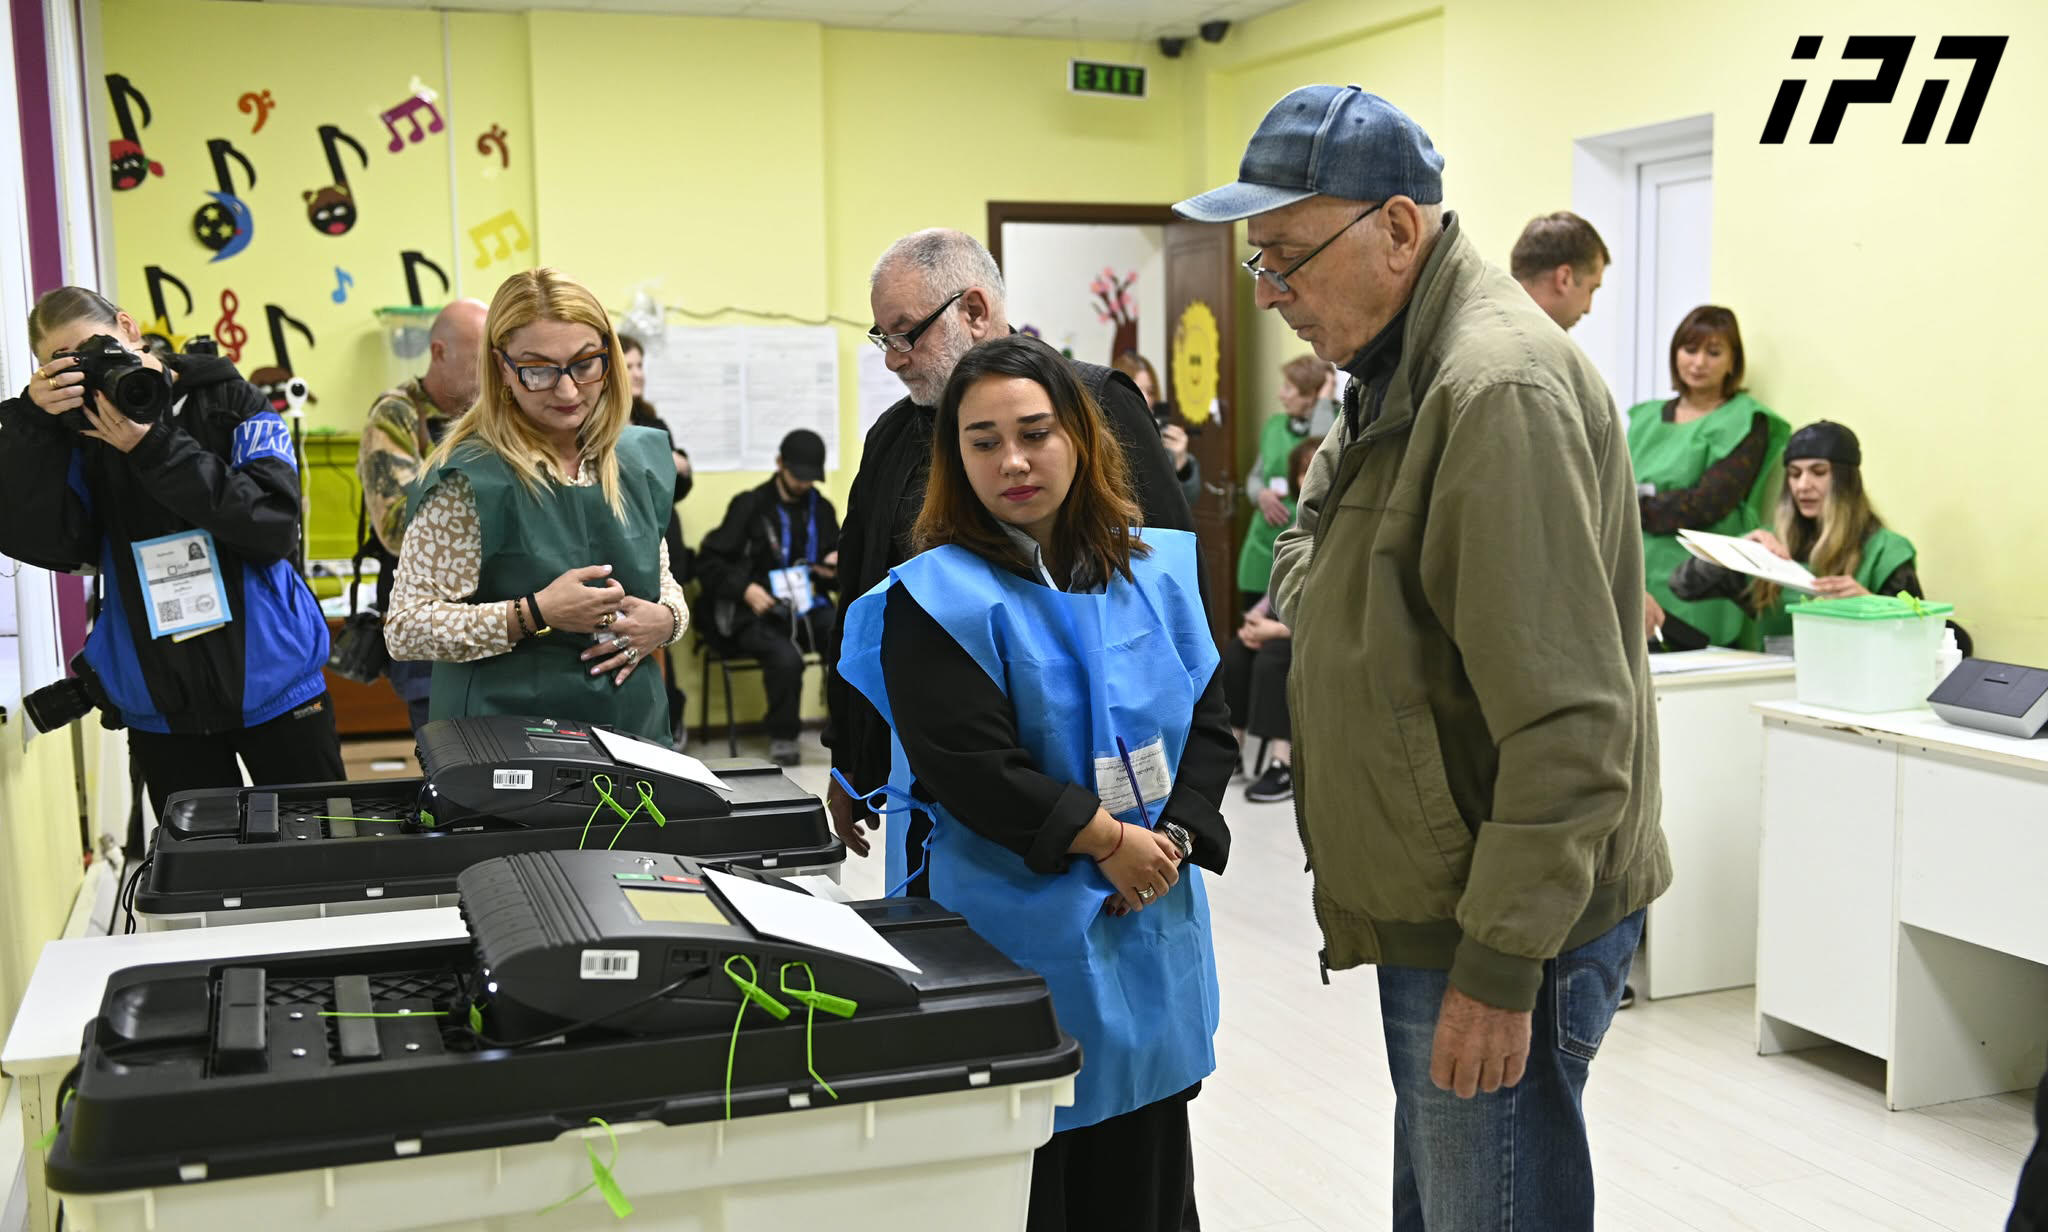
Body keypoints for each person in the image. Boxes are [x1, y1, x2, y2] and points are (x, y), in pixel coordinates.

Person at [1179, 85, 1669, 1229]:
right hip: (1446, 894)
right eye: (1260, 263)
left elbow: (1569, 725)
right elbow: (1314, 533)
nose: (1271, 294)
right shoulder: (1390, 366)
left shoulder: (1487, 387)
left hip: (1500, 920)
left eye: (1288, 258)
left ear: (1399, 228)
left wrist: (1499, 965)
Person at [835, 334, 1232, 1232]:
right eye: (982, 441)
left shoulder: (1157, 568)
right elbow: (972, 766)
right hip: (1012, 920)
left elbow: (1208, 717)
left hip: (1150, 901)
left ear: (1081, 438)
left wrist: (1167, 842)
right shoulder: (933, 597)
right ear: (955, 458)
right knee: (1032, 1171)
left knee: (1148, 1167)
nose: (1012, 460)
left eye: (1034, 432)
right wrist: (1111, 843)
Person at [826, 228, 1194, 859]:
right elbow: (862, 597)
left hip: (1091, 764)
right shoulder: (894, 435)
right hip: (942, 766)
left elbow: (1169, 596)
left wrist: (1179, 812)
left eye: (906, 332)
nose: (894, 357)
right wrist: (850, 759)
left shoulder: (1095, 401)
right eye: (883, 337)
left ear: (973, 311)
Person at [0, 287, 342, 819]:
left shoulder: (233, 401)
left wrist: (152, 447)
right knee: (205, 880)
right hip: (161, 702)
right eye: (63, 363)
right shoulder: (74, 436)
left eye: (97, 347)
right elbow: (41, 542)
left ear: (129, 328)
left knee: (320, 855)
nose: (86, 368)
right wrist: (32, 427)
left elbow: (273, 527)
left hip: (279, 685)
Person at [383, 268, 687, 743]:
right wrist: (534, 613)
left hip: (632, 733)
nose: (567, 391)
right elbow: (406, 629)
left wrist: (666, 621)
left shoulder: (633, 460)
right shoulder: (470, 479)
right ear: (502, 367)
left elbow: (662, 581)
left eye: (585, 365)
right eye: (539, 371)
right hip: (505, 743)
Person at [357, 297, 487, 735]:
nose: (489, 376)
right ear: (438, 352)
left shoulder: (496, 415)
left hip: (498, 624)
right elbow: (396, 527)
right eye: (477, 361)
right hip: (430, 631)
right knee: (451, 766)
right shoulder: (397, 414)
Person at [1669, 420, 1922, 643]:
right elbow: (1682, 586)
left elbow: (1921, 636)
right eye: (1794, 474)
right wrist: (1737, 550)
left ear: (1846, 480)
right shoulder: (1770, 547)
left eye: (1819, 472)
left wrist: (1873, 606)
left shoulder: (1885, 551)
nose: (1802, 486)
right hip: (1775, 684)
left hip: (1860, 684)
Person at [1629, 305, 1790, 650]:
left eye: (1713, 352)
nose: (1699, 362)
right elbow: (1608, 489)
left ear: (1733, 362)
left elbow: (1707, 503)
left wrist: (1633, 506)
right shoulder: (1644, 418)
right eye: (1690, 350)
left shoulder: (1747, 419)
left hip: (1705, 582)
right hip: (1639, 572)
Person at [693, 429, 839, 766]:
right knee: (786, 658)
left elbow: (834, 568)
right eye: (797, 476)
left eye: (809, 478)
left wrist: (836, 567)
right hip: (757, 612)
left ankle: (847, 727)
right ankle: (783, 736)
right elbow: (708, 562)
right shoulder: (749, 506)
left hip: (803, 607)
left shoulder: (822, 510)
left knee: (843, 634)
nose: (803, 485)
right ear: (779, 465)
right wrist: (743, 589)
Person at [1222, 435, 1319, 804]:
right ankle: (1232, 750)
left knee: (1274, 658)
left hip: (1317, 626)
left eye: (1315, 469)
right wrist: (1256, 618)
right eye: (1302, 471)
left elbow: (1327, 604)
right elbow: (1281, 581)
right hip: (1286, 614)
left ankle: (1283, 761)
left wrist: (1276, 629)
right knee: (1236, 653)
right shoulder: (1297, 519)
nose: (1308, 478)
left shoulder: (1342, 521)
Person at [619, 332, 695, 744]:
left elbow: (679, 482)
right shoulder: (592, 419)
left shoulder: (651, 421)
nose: (638, 375)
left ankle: (667, 722)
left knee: (662, 630)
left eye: (640, 365)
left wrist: (673, 465)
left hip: (660, 540)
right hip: (619, 544)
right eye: (629, 365)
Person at [1239, 354, 1335, 610]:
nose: (1281, 395)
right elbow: (1255, 477)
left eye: (1288, 388)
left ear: (1311, 394)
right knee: (1252, 623)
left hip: (1301, 542)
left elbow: (1320, 455)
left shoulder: (1336, 422)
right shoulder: (1274, 425)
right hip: (1261, 544)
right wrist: (1261, 495)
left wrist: (1324, 401)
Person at [1113, 350, 1200, 508]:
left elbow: (1186, 503)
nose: (1146, 398)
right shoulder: (1104, 437)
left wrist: (1182, 462)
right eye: (1138, 390)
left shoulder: (1161, 438)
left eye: (1151, 392)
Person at [1510, 211, 1609, 331]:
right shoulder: (1542, 346)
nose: (1588, 309)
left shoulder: (1486, 324)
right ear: (1564, 278)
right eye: (1591, 289)